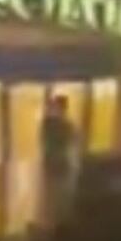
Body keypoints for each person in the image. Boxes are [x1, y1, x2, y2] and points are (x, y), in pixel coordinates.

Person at [40, 94, 78, 226]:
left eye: (56, 106)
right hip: (57, 167)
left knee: (55, 200)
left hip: (58, 167)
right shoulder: (58, 125)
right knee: (54, 200)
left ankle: (55, 224)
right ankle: (54, 224)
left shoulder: (58, 125)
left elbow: (70, 144)